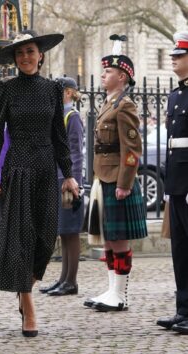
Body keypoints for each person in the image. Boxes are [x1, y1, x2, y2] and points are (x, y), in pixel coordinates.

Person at [0, 30, 79, 337]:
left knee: (46, 238)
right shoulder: (6, 90)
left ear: (40, 55)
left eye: (30, 51)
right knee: (20, 239)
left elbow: (59, 138)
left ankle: (25, 288)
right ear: (15, 59)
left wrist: (70, 173)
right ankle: (27, 302)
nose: (25, 57)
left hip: (46, 170)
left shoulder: (53, 89)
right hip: (18, 171)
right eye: (20, 53)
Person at [83, 35, 147, 312]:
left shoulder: (125, 105)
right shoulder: (109, 103)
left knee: (118, 239)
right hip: (104, 177)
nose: (103, 75)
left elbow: (132, 149)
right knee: (108, 238)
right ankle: (111, 290)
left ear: (122, 76)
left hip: (116, 181)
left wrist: (125, 183)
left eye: (108, 71)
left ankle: (119, 295)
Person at [41, 77, 85, 296]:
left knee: (71, 231)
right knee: (63, 231)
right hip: (57, 178)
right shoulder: (59, 116)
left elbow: (76, 153)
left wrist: (73, 180)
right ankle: (63, 279)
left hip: (68, 181)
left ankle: (71, 281)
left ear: (68, 93)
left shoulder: (72, 116)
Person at [156, 31, 188, 334]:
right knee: (180, 248)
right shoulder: (176, 95)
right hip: (177, 181)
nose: (174, 59)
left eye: (179, 55)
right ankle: (183, 309)